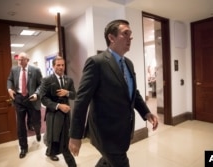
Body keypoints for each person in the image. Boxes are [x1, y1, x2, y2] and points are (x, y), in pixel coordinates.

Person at [68, 19, 159, 167]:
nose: (131, 37)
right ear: (111, 38)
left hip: (123, 130)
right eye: (125, 33)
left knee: (107, 162)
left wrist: (146, 112)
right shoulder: (96, 63)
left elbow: (132, 92)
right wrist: (75, 135)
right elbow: (81, 100)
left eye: (131, 34)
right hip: (105, 133)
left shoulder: (128, 63)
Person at [40, 56, 77, 167]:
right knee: (57, 140)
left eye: (63, 65)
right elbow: (43, 98)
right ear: (53, 66)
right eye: (58, 65)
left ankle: (51, 152)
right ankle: (53, 153)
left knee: (62, 139)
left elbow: (74, 95)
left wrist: (67, 93)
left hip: (66, 115)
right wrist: (58, 106)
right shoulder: (47, 80)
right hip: (53, 115)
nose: (61, 67)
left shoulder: (69, 80)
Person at [7, 52, 42, 159]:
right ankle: (23, 147)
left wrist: (37, 94)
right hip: (19, 99)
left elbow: (42, 84)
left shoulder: (35, 70)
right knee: (20, 125)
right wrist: (9, 89)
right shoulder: (14, 70)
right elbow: (10, 80)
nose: (20, 61)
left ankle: (37, 131)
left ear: (28, 60)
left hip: (32, 99)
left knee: (36, 121)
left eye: (22, 59)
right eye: (19, 59)